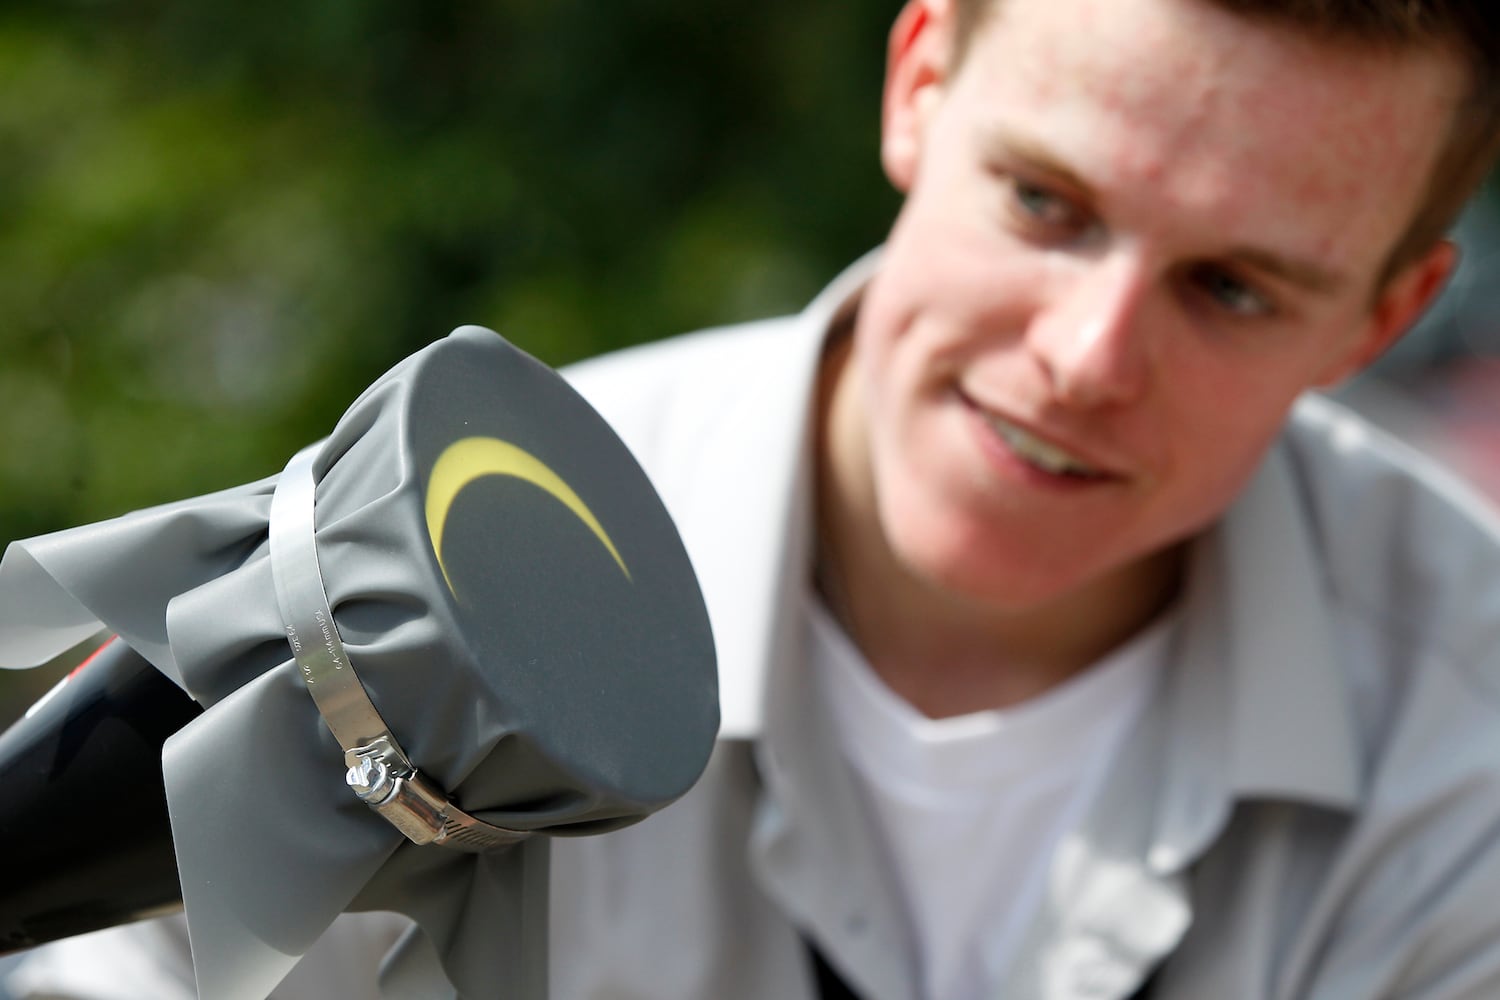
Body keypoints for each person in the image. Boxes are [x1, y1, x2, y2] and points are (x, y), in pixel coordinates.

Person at [9, 0, 1500, 997]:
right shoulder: (426, 558)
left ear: (1384, 315)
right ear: (920, 81)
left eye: (1232, 288)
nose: (1084, 357)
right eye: (1047, 203)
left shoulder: (1470, 731)